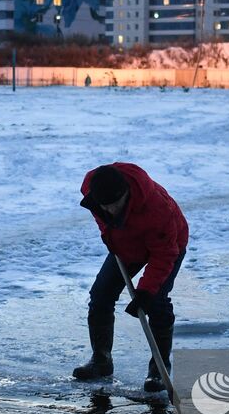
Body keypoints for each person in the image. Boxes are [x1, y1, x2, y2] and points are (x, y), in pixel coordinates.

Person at [74, 163, 188, 393]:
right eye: (105, 206)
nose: (111, 210)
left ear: (126, 191)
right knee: (100, 295)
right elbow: (103, 217)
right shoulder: (93, 192)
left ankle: (159, 368)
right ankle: (101, 361)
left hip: (168, 245)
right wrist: (112, 237)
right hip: (125, 245)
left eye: (116, 204)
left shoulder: (157, 209)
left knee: (156, 301)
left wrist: (145, 292)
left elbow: (164, 255)